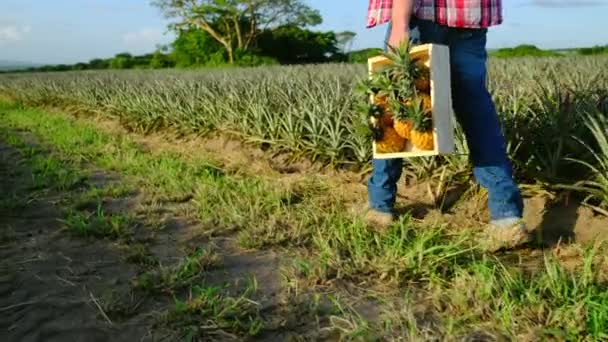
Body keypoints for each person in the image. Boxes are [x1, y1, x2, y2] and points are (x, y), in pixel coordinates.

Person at [364, 0, 533, 251]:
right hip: (469, 17)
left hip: (421, 14)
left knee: (393, 106)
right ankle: (506, 217)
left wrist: (399, 23)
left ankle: (380, 206)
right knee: (476, 110)